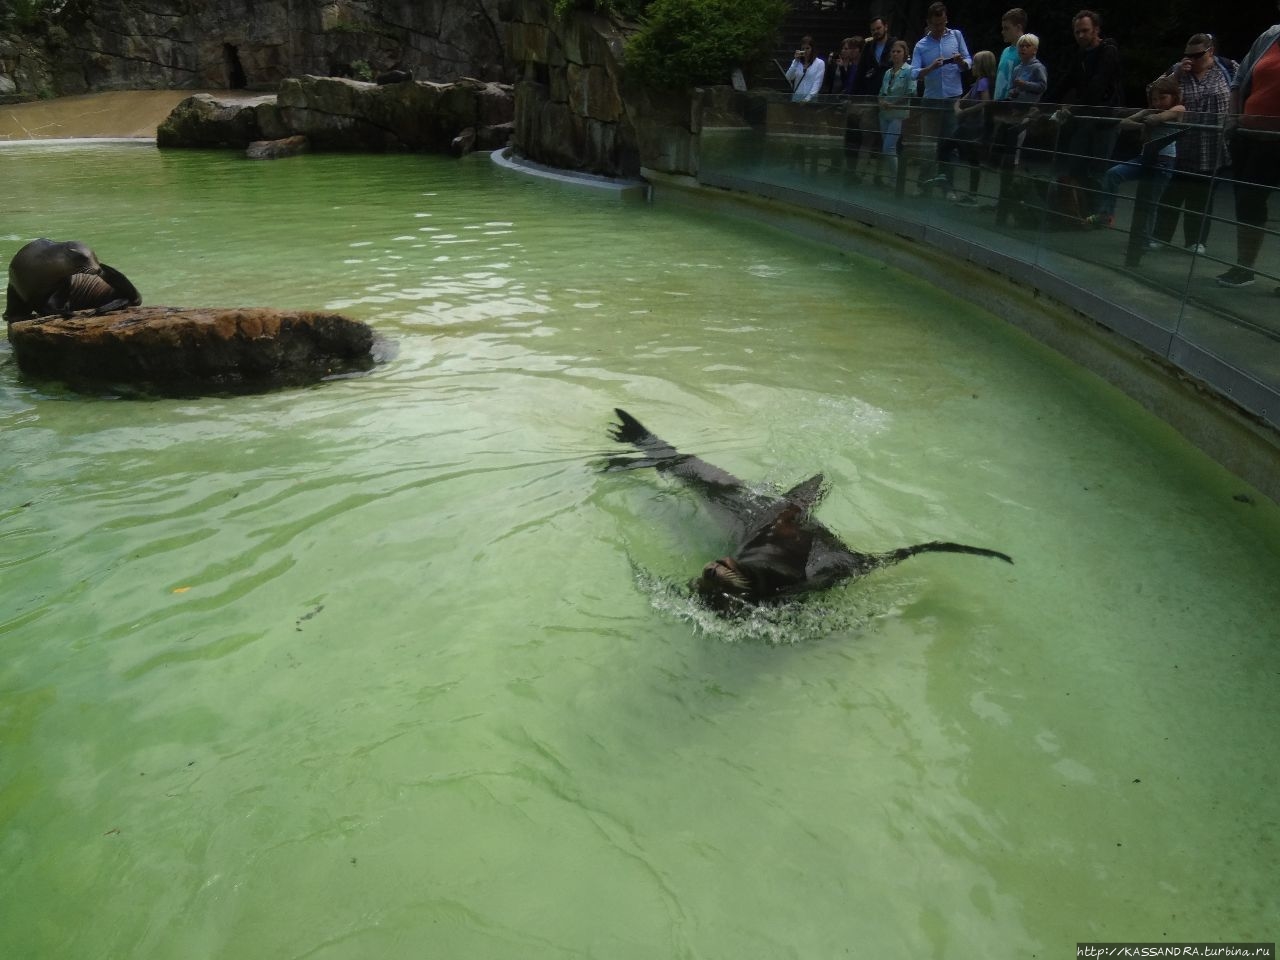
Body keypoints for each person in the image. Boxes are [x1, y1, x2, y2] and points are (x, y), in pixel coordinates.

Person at [1150, 33, 1235, 256]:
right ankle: (1161, 236)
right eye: (1188, 55)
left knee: (1202, 197)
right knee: (1173, 194)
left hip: (1212, 146)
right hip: (1180, 144)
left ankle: (1196, 241)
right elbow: (1153, 91)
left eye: (1198, 55)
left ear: (1211, 51)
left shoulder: (1227, 69)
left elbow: (1243, 87)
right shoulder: (1179, 70)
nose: (1192, 59)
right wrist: (1177, 74)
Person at [1217, 8, 1280, 288]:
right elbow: (1239, 79)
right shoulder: (1271, 35)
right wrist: (1233, 119)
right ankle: (1244, 268)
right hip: (1250, 137)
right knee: (1248, 204)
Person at [1084, 77, 1185, 251]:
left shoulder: (1179, 108)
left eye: (1163, 98)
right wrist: (1142, 125)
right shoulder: (1150, 111)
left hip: (1164, 161)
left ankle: (1143, 241)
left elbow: (1165, 116)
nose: (1158, 102)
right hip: (1145, 157)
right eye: (1154, 99)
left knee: (1150, 202)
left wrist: (1151, 119)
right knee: (1113, 174)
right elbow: (1124, 123)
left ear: (1173, 97)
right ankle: (1106, 213)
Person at [1045, 10, 1125, 209]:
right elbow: (1066, 81)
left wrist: (1073, 107)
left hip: (1105, 119)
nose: (1080, 35)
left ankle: (1100, 213)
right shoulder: (1080, 55)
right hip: (1086, 117)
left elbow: (1099, 84)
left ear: (1096, 30)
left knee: (1099, 168)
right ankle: (1080, 210)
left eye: (1085, 31)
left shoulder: (1108, 51)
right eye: (1077, 32)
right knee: (1077, 164)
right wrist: (1044, 103)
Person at [911, 2, 973, 193]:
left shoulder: (956, 35)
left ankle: (948, 186)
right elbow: (913, 72)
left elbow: (969, 60)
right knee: (928, 144)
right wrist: (930, 68)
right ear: (928, 23)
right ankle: (924, 184)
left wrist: (962, 62)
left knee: (949, 144)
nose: (940, 28)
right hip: (931, 99)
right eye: (936, 25)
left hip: (953, 97)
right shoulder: (921, 45)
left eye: (943, 23)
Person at [939, 50, 998, 203]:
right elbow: (962, 100)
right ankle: (969, 193)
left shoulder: (983, 82)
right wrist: (959, 108)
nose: (972, 67)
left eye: (975, 64)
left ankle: (952, 183)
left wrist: (964, 111)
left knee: (949, 149)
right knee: (970, 158)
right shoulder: (977, 83)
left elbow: (985, 102)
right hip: (969, 125)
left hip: (972, 127)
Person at [878, 40, 916, 186]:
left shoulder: (909, 70)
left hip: (898, 114)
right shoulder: (888, 72)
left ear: (905, 54)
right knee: (887, 149)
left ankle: (897, 180)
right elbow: (881, 92)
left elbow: (910, 93)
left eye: (898, 51)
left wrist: (893, 104)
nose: (895, 54)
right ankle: (893, 179)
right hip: (884, 113)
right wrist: (881, 101)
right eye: (893, 51)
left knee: (889, 147)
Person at [995, 9, 1029, 102]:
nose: (1002, 32)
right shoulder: (1005, 51)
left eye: (1006, 28)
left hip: (1013, 106)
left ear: (1018, 27)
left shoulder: (1026, 52)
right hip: (998, 104)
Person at [786, 36, 826, 103]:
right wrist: (795, 61)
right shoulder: (796, 62)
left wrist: (807, 99)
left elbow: (817, 83)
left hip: (810, 101)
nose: (805, 51)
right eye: (803, 48)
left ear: (812, 49)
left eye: (807, 48)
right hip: (796, 99)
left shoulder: (819, 63)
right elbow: (788, 77)